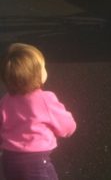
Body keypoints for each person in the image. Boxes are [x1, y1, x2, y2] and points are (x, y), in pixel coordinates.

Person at [0, 43, 76, 180]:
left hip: (9, 160)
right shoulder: (45, 99)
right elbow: (66, 125)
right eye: (43, 68)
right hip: (36, 162)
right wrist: (68, 129)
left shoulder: (5, 100)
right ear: (38, 75)